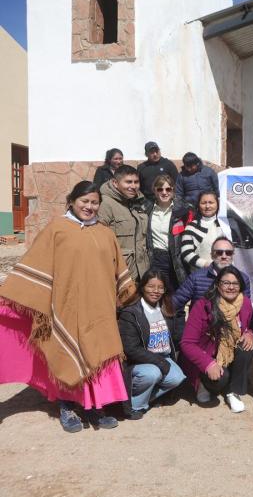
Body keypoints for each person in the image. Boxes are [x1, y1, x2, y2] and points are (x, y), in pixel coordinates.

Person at [0, 181, 135, 432]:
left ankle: (96, 407)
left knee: (101, 351)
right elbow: (37, 263)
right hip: (66, 307)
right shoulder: (57, 229)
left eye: (94, 202)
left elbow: (119, 270)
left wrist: (128, 295)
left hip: (101, 307)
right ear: (72, 200)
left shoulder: (105, 233)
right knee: (67, 352)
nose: (89, 206)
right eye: (84, 201)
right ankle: (68, 407)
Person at [181, 266, 253, 413]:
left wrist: (249, 333)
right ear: (217, 284)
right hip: (207, 356)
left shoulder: (245, 303)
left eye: (235, 283)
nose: (231, 287)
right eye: (226, 283)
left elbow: (251, 326)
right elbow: (187, 342)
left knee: (247, 349)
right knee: (221, 378)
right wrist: (207, 364)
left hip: (231, 354)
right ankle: (204, 383)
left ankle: (233, 391)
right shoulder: (203, 305)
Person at [118, 269, 186, 420]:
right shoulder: (131, 313)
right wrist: (159, 362)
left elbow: (175, 335)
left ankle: (144, 399)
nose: (156, 291)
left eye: (160, 287)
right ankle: (134, 406)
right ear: (142, 287)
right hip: (139, 361)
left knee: (177, 378)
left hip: (163, 357)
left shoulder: (165, 307)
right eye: (151, 286)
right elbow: (131, 348)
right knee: (152, 374)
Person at [147, 174, 193, 291]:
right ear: (154, 191)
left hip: (176, 258)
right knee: (158, 293)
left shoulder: (183, 210)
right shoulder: (147, 209)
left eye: (168, 189)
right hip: (155, 258)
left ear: (173, 190)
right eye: (160, 189)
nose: (164, 192)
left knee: (176, 295)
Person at [180, 191, 231, 273]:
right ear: (198, 205)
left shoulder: (226, 225)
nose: (207, 206)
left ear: (217, 205)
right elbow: (186, 253)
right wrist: (207, 265)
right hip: (202, 275)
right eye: (203, 203)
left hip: (227, 274)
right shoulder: (191, 226)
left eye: (211, 202)